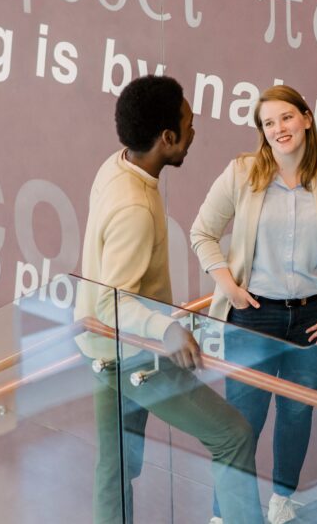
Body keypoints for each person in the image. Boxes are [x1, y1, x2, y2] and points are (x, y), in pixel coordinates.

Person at [74, 75, 262, 524]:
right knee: (233, 435)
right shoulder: (134, 208)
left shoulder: (116, 164)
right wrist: (168, 327)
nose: (194, 133)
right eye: (188, 125)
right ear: (167, 138)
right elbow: (111, 305)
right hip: (133, 356)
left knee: (114, 467)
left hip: (101, 351)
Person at [191, 85, 317, 524]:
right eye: (268, 123)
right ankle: (223, 513)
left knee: (295, 413)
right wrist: (227, 285)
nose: (278, 129)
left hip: (313, 318)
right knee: (242, 421)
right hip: (252, 314)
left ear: (306, 118)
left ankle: (281, 500)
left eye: (286, 118)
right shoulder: (242, 174)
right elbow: (202, 233)